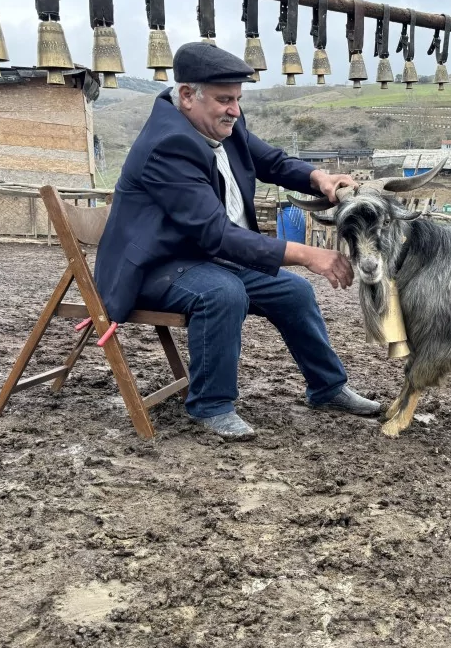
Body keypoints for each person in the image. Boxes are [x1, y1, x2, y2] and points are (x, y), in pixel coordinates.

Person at [94, 42, 380, 438]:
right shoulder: (168, 145)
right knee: (222, 293)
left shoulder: (221, 124)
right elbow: (216, 234)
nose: (234, 109)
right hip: (155, 267)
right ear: (187, 95)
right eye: (224, 99)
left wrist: (319, 178)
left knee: (294, 292)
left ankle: (328, 388)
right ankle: (211, 405)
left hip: (205, 258)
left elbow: (270, 161)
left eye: (238, 100)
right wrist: (305, 254)